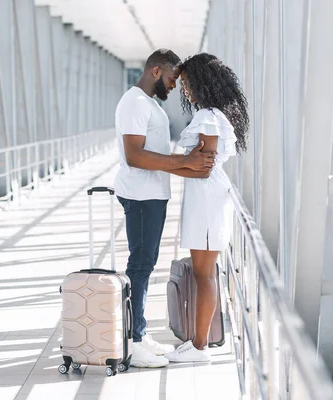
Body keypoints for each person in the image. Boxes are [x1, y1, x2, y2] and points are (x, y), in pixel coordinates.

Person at [114, 49, 216, 368]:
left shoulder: (148, 104)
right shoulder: (134, 102)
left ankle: (140, 336)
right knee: (140, 267)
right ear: (156, 71)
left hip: (152, 195)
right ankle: (133, 340)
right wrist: (186, 161)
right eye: (172, 79)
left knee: (145, 264)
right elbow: (135, 155)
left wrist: (189, 166)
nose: (174, 87)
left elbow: (153, 153)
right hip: (141, 195)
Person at [164, 53, 249, 363]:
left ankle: (199, 348)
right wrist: (182, 163)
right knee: (203, 273)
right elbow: (199, 164)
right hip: (206, 196)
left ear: (200, 83)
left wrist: (161, 165)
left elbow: (202, 168)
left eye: (187, 84)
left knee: (204, 274)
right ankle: (198, 342)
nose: (184, 90)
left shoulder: (207, 117)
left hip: (207, 197)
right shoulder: (213, 114)